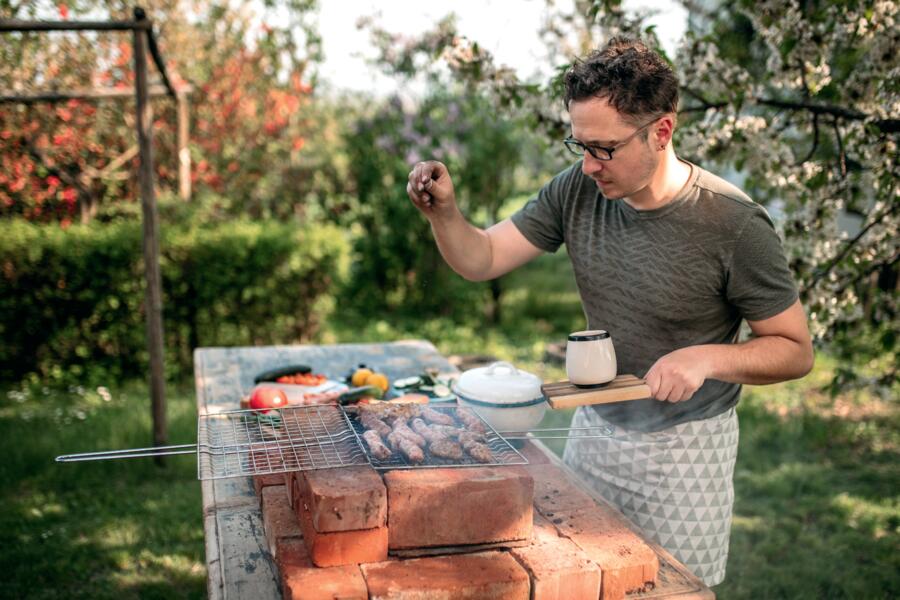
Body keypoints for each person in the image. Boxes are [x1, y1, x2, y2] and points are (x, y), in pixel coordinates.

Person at [406, 36, 814, 586]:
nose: (591, 165)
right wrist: (445, 214)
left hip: (686, 452)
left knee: (668, 593)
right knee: (579, 585)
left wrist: (705, 359)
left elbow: (795, 351)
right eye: (581, 145)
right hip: (595, 427)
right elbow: (483, 258)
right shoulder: (578, 188)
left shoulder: (734, 224)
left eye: (605, 148)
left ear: (661, 131)